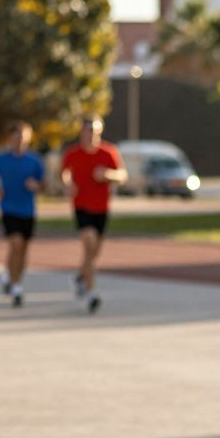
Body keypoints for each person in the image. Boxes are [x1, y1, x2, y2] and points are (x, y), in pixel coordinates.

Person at [60, 116, 127, 314]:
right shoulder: (73, 154)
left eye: (95, 132)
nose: (91, 136)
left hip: (101, 208)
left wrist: (108, 175)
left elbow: (122, 175)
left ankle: (81, 277)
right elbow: (62, 172)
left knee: (93, 253)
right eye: (88, 131)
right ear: (82, 132)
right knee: (88, 243)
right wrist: (67, 184)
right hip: (81, 206)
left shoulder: (109, 152)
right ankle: (92, 294)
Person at [0, 121, 45, 307]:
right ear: (11, 137)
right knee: (15, 244)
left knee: (23, 250)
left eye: (24, 135)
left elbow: (44, 184)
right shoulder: (2, 159)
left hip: (28, 211)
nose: (20, 138)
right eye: (17, 135)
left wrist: (36, 186)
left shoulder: (34, 161)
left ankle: (14, 277)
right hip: (9, 209)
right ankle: (16, 288)